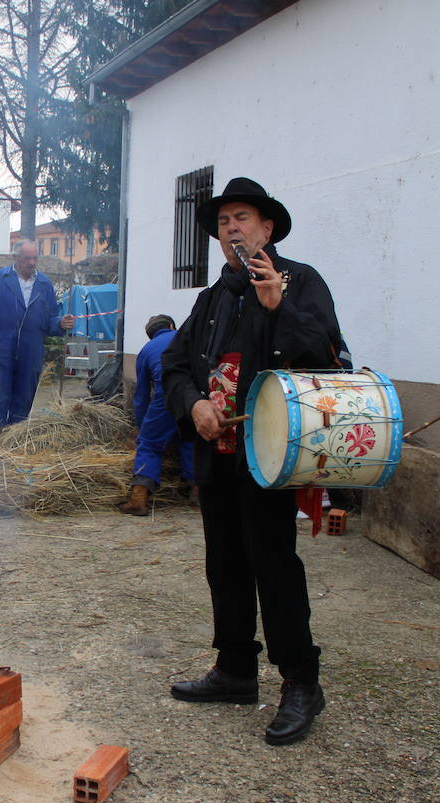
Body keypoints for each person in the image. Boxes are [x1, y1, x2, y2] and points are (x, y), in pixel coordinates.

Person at [161, 177, 346, 746]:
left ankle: (301, 682)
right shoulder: (212, 297)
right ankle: (236, 669)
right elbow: (175, 366)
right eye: (223, 222)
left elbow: (329, 361)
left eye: (242, 218)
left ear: (267, 229)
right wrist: (195, 405)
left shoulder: (300, 282)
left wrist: (278, 306)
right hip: (218, 453)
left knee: (273, 563)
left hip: (272, 452)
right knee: (225, 561)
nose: (232, 229)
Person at [0, 240, 75, 432]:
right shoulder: (1, 279)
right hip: (2, 352)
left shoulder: (44, 284)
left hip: (31, 353)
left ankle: (15, 440)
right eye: (27, 258)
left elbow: (49, 321)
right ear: (15, 257)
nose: (32, 262)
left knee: (23, 402)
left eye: (35, 258)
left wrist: (60, 323)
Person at [118, 314, 194, 516]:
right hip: (194, 397)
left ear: (150, 335)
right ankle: (196, 492)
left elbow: (141, 395)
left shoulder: (146, 350)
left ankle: (138, 499)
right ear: (171, 325)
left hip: (166, 398)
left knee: (149, 444)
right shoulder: (187, 338)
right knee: (190, 439)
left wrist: (143, 426)